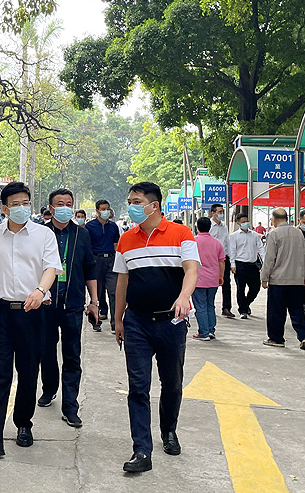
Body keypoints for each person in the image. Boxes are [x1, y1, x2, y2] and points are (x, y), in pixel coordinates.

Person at [0, 182, 61, 457]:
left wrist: (40, 291)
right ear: (5, 208)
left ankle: (23, 423)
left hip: (32, 313)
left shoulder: (43, 234)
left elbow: (51, 268)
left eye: (26, 203)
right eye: (16, 204)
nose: (22, 208)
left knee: (28, 372)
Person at [113, 182, 199, 473]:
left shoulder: (181, 234)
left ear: (154, 205)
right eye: (130, 201)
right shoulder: (126, 239)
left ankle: (169, 430)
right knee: (138, 387)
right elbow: (122, 281)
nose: (132, 206)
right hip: (136, 322)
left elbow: (191, 269)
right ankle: (141, 450)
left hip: (170, 321)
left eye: (137, 201)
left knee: (172, 383)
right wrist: (118, 318)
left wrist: (184, 296)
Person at [38, 189, 99, 427]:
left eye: (69, 203)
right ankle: (49, 388)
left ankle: (70, 406)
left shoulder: (82, 234)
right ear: (51, 208)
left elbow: (89, 268)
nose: (65, 208)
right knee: (46, 351)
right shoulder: (42, 233)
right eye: (60, 204)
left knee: (72, 354)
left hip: (72, 303)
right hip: (46, 303)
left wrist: (94, 301)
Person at [260, 208, 305, 349]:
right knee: (297, 310)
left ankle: (276, 339)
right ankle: (304, 336)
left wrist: (264, 277)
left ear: (274, 219)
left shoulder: (273, 234)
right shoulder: (298, 233)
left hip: (278, 281)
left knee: (276, 312)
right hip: (296, 280)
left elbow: (269, 258)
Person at [85, 199, 121, 332]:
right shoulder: (90, 227)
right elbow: (87, 246)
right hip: (96, 260)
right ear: (97, 211)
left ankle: (115, 323)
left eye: (108, 209)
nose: (106, 211)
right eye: (103, 209)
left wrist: (119, 259)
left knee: (113, 291)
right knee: (97, 292)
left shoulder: (113, 227)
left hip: (111, 260)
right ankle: (97, 320)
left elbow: (116, 244)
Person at [193, 217, 225, 341]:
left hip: (198, 279)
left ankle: (204, 332)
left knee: (200, 306)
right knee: (210, 305)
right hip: (213, 279)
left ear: (197, 227)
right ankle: (211, 330)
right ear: (210, 227)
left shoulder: (193, 242)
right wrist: (220, 276)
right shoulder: (217, 243)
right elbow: (221, 262)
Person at [228, 213, 264, 318]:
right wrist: (233, 265)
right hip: (240, 265)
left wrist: (265, 261)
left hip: (252, 265)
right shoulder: (234, 236)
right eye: (243, 222)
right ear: (238, 223)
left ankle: (246, 303)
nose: (246, 223)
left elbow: (261, 248)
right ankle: (243, 310)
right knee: (241, 288)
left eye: (247, 221)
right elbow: (232, 251)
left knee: (255, 287)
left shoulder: (254, 235)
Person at [208, 204, 234, 318]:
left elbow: (227, 243)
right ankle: (210, 306)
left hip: (224, 258)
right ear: (213, 213)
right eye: (219, 212)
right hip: (211, 259)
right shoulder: (208, 225)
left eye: (223, 212)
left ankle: (226, 308)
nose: (222, 214)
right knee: (211, 284)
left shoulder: (224, 227)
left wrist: (231, 260)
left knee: (226, 283)